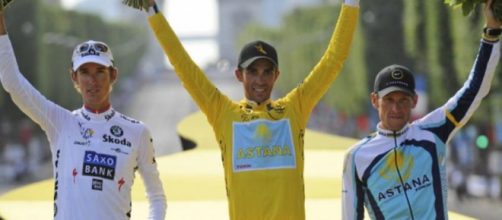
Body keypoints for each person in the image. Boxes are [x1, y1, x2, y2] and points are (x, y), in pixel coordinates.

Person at [125, 0, 359, 219]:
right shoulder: (224, 113)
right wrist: (152, 11)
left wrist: (351, 3)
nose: (261, 79)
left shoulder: (294, 109)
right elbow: (183, 64)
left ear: (277, 75)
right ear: (239, 75)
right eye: (253, 71)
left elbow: (333, 59)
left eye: (268, 71)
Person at [0, 6, 166, 220]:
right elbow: (12, 82)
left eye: (100, 72)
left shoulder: (137, 132)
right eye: (84, 72)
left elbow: (157, 196)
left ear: (113, 75)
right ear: (74, 78)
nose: (92, 80)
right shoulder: (60, 123)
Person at [341, 0, 501, 219]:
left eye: (403, 100)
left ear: (415, 101)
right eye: (389, 100)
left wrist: (491, 32)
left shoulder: (433, 131)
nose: (396, 108)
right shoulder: (356, 156)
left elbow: (475, 89)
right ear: (374, 100)